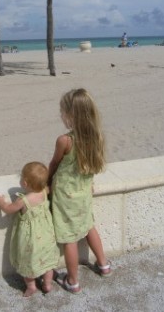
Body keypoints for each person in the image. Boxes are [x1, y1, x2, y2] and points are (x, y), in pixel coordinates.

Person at [48, 88, 112, 294]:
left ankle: (73, 280)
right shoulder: (96, 137)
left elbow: (54, 164)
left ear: (70, 115)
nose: (60, 116)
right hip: (84, 192)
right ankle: (103, 264)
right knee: (89, 226)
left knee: (69, 239)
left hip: (66, 197)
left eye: (62, 112)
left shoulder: (65, 140)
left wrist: (46, 183)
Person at [0, 162, 60, 297]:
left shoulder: (23, 200)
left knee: (27, 264)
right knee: (47, 264)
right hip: (46, 234)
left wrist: (0, 202)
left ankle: (31, 286)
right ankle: (47, 284)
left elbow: (8, 209)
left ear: (25, 183)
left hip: (30, 239)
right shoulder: (45, 192)